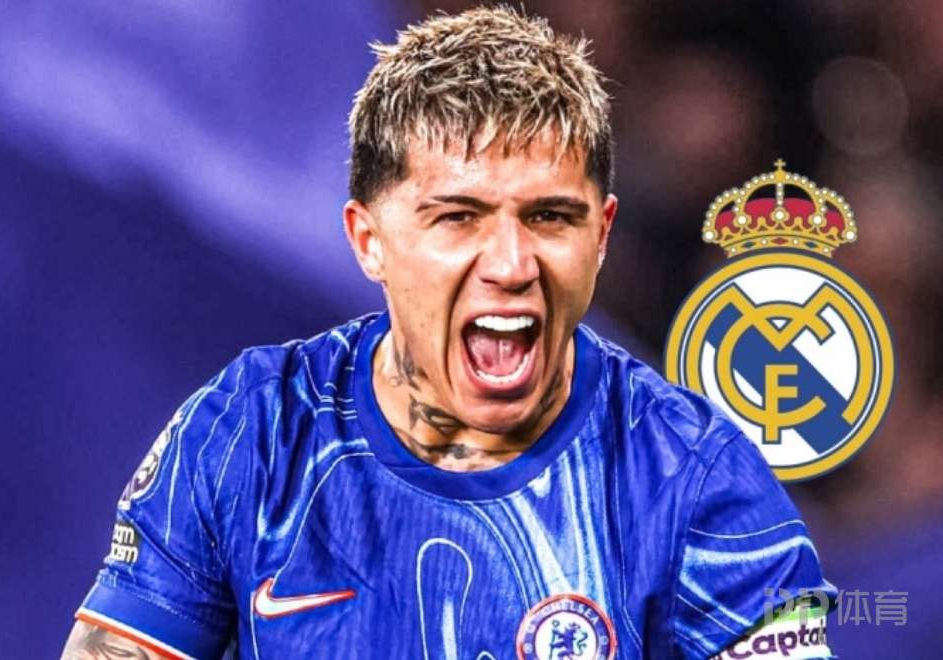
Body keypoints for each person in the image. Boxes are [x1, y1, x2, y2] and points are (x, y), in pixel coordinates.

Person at [61, 7, 836, 659]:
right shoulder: (252, 430)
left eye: (550, 217)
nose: (510, 264)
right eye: (459, 217)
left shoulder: (695, 471)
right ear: (369, 239)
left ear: (601, 235)